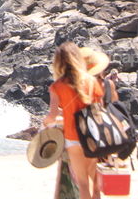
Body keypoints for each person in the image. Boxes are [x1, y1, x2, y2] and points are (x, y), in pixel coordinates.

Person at [42, 42, 104, 199]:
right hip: (93, 136)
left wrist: (48, 122)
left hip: (73, 138)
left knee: (83, 184)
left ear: (58, 62)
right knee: (94, 182)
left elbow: (52, 117)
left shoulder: (56, 87)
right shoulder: (92, 81)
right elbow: (99, 111)